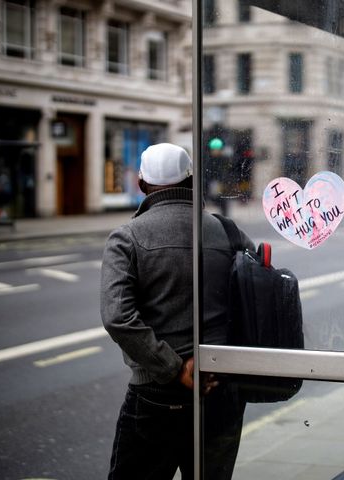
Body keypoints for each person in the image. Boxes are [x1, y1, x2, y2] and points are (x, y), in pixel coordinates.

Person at [101, 143, 253, 479]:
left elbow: (117, 317)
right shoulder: (228, 232)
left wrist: (173, 369)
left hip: (156, 396)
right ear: (191, 180)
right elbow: (253, 298)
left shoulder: (126, 237)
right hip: (220, 391)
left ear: (141, 185)